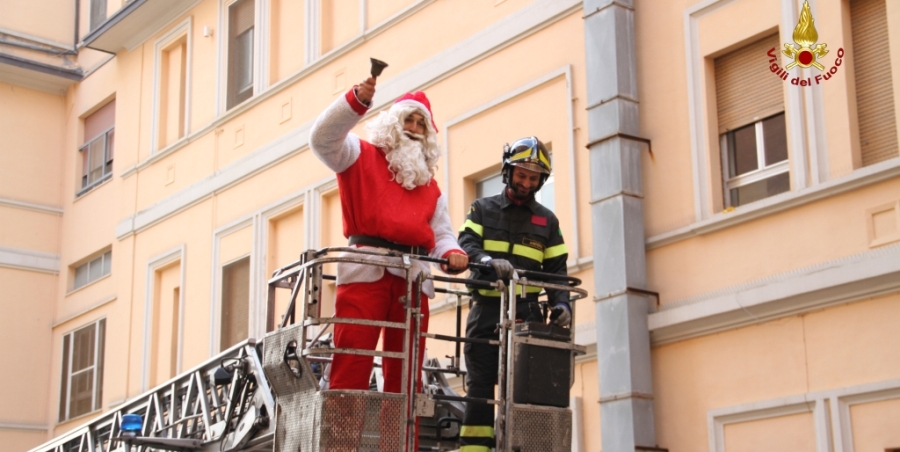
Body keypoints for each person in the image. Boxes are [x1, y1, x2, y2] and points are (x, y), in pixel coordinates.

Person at [308, 75, 468, 445]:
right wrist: (355, 101)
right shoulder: (358, 154)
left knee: (407, 376)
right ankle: (341, 446)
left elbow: (442, 234)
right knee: (352, 363)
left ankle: (399, 446)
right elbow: (321, 139)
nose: (413, 129)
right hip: (367, 268)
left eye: (420, 124)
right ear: (393, 123)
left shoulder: (430, 186)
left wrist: (453, 254)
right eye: (408, 120)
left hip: (413, 279)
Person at [456, 136, 570, 451]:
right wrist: (487, 261)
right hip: (486, 310)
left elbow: (557, 270)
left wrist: (562, 304)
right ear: (509, 172)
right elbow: (466, 245)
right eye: (521, 175)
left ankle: (524, 446)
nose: (526, 182)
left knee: (527, 385)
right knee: (480, 383)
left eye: (533, 178)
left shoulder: (547, 220)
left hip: (528, 314)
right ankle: (475, 448)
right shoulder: (482, 208)